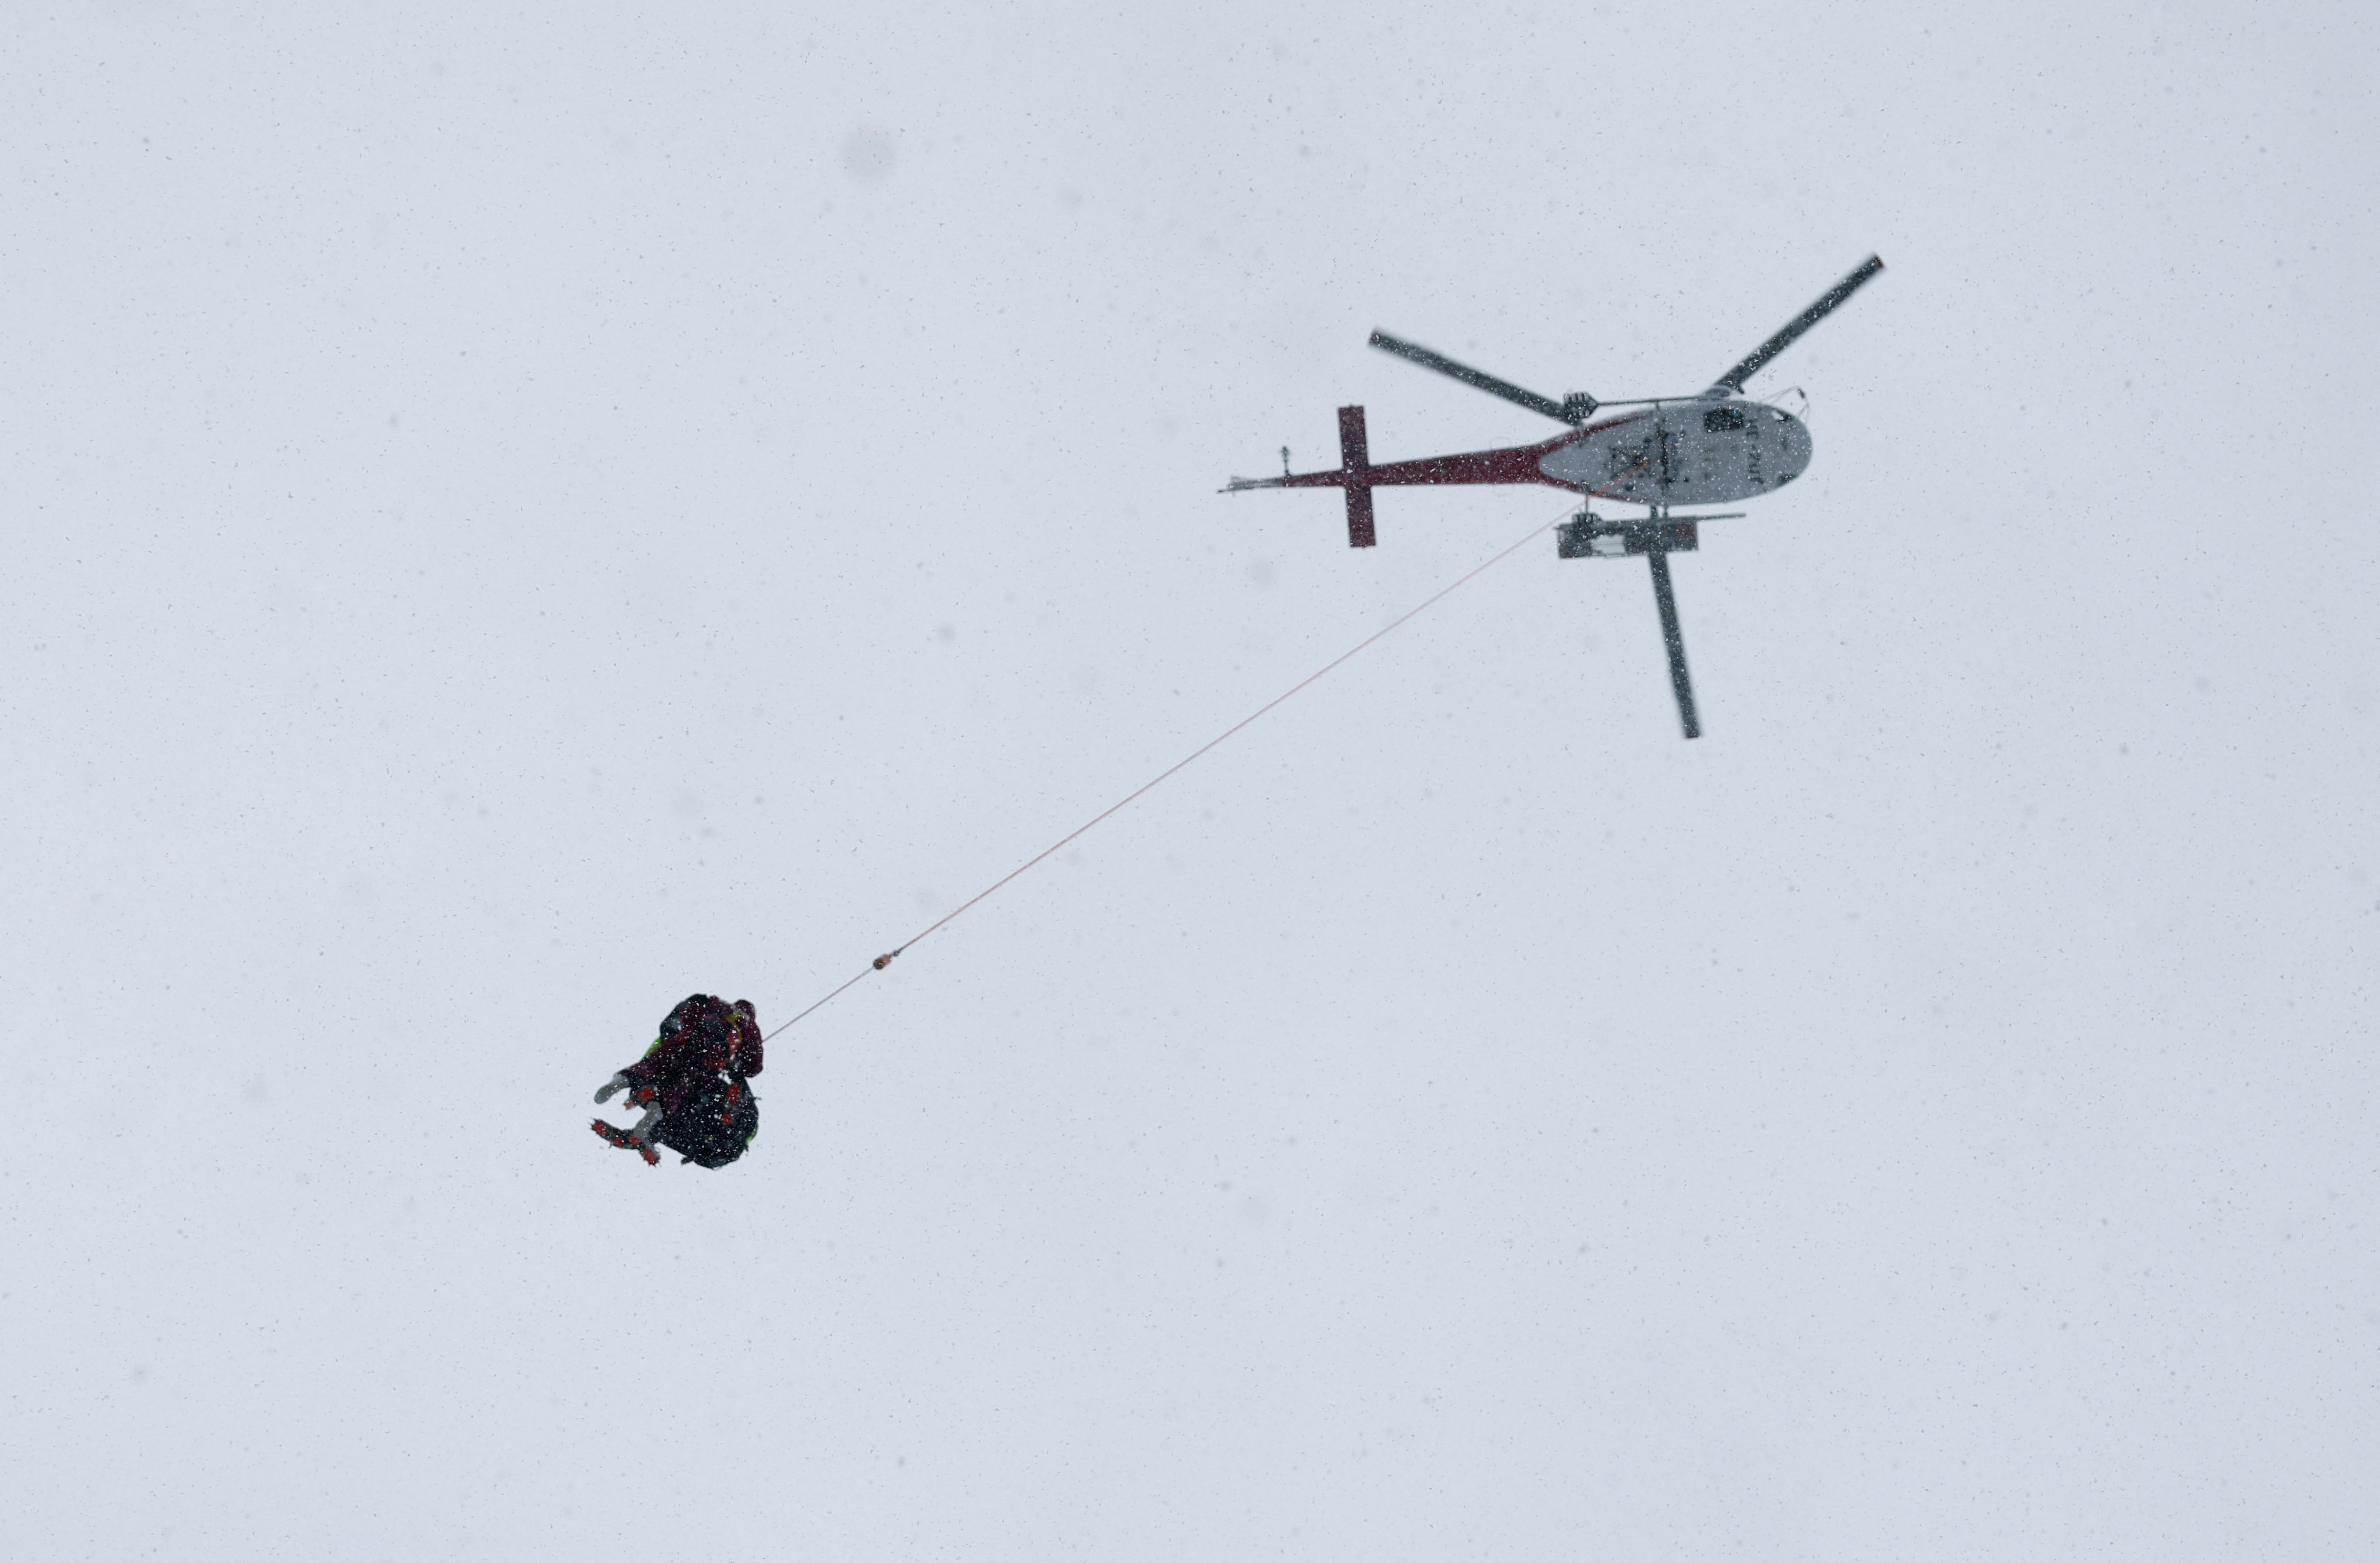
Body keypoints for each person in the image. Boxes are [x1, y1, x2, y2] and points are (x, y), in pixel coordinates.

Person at [591, 993, 764, 1168]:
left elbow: (686, 1010)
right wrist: (736, 1064)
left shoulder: (716, 1004)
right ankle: (655, 1113)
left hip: (687, 1037)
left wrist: (681, 1032)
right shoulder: (748, 1026)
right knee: (686, 1085)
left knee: (656, 1063)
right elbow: (754, 1068)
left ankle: (624, 1080)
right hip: (715, 1052)